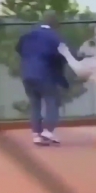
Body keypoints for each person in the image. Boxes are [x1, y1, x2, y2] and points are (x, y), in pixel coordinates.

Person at [15, 10, 69, 145]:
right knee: (53, 101)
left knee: (35, 104)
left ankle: (36, 134)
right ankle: (48, 131)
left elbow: (18, 48)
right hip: (44, 74)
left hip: (27, 74)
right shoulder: (54, 37)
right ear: (55, 24)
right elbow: (62, 56)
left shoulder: (28, 35)